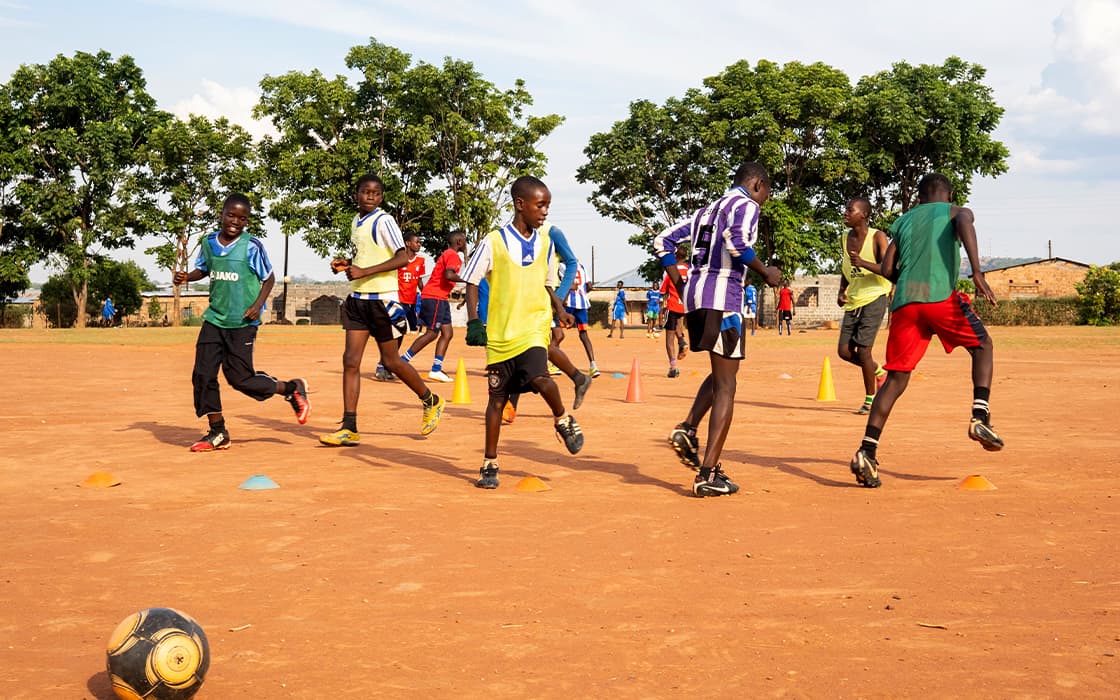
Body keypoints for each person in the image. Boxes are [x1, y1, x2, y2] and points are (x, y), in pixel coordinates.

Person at [848, 173, 1003, 489]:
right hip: (939, 298)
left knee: (895, 379)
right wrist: (976, 271)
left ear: (919, 198)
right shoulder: (956, 211)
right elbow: (965, 222)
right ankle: (980, 416)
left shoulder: (904, 221)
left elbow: (888, 269)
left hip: (905, 304)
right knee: (983, 346)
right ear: (949, 195)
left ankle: (867, 451)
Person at [655, 161, 781, 497]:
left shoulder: (705, 212)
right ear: (757, 184)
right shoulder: (746, 205)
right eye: (767, 192)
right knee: (727, 386)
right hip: (724, 300)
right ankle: (707, 474)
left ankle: (688, 428)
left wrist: (681, 284)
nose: (765, 199)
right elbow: (736, 243)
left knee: (721, 373)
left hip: (695, 301)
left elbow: (663, 240)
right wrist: (766, 271)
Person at [462, 176, 584, 490]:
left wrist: (559, 309)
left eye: (547, 205)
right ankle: (490, 462)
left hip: (534, 325)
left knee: (540, 377)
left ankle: (562, 418)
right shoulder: (493, 241)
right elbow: (472, 280)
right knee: (497, 400)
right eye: (540, 205)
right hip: (501, 334)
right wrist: (474, 321)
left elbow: (547, 282)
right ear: (520, 204)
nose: (545, 212)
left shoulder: (546, 243)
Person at [173, 193, 311, 452]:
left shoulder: (251, 246)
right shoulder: (208, 242)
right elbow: (204, 269)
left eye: (242, 218)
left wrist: (257, 306)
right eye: (231, 215)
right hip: (215, 318)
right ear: (222, 214)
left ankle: (291, 388)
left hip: (243, 322)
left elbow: (269, 278)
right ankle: (218, 431)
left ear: (247, 221)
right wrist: (186, 277)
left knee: (240, 378)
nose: (235, 221)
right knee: (203, 374)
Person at [319, 174, 445, 448]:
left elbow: (402, 258)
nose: (371, 196)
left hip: (383, 302)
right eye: (365, 192)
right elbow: (367, 256)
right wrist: (348, 263)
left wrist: (364, 271)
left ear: (381, 197)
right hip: (358, 300)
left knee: (391, 361)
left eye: (376, 193)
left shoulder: (384, 221)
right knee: (350, 361)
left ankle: (431, 400)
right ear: (356, 194)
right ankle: (349, 427)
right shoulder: (356, 221)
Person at [837, 197, 891, 415]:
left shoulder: (878, 237)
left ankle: (871, 399)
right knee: (843, 351)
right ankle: (878, 371)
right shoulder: (844, 237)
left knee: (864, 350)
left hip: (875, 296)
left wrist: (864, 263)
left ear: (864, 215)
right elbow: (846, 268)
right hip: (854, 299)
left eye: (850, 210)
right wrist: (842, 290)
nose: (845, 213)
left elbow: (888, 269)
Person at [400, 231, 467, 382]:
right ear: (458, 242)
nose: (466, 243)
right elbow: (448, 275)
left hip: (440, 298)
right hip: (434, 297)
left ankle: (436, 369)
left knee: (447, 333)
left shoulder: (450, 254)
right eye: (464, 240)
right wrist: (467, 279)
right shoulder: (452, 255)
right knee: (431, 333)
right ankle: (402, 362)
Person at [374, 231, 425, 381]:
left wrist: (425, 295)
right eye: (417, 242)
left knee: (401, 334)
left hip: (411, 302)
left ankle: (389, 363)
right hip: (397, 301)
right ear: (408, 243)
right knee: (393, 334)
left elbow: (419, 282)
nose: (419, 244)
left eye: (420, 242)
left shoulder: (420, 261)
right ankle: (382, 365)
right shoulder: (398, 261)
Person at [556, 259, 599, 378]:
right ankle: (593, 365)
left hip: (568, 303)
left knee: (557, 332)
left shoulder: (562, 266)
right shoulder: (582, 266)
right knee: (584, 334)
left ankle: (554, 364)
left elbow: (567, 285)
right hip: (582, 304)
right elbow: (589, 285)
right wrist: (582, 292)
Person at [660, 261, 690, 377]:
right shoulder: (689, 270)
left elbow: (663, 291)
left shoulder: (671, 270)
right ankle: (681, 341)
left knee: (669, 339)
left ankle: (673, 368)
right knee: (678, 323)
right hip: (683, 306)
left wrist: (662, 307)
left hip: (672, 305)